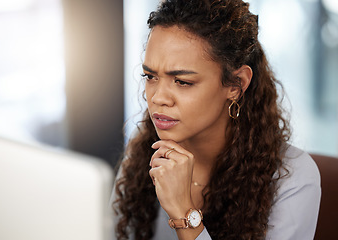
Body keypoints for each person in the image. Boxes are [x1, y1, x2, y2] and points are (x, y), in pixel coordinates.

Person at [111, 0, 321, 239]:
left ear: (236, 84)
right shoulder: (142, 155)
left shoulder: (292, 177)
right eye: (150, 76)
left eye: (182, 82)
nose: (158, 98)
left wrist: (183, 212)